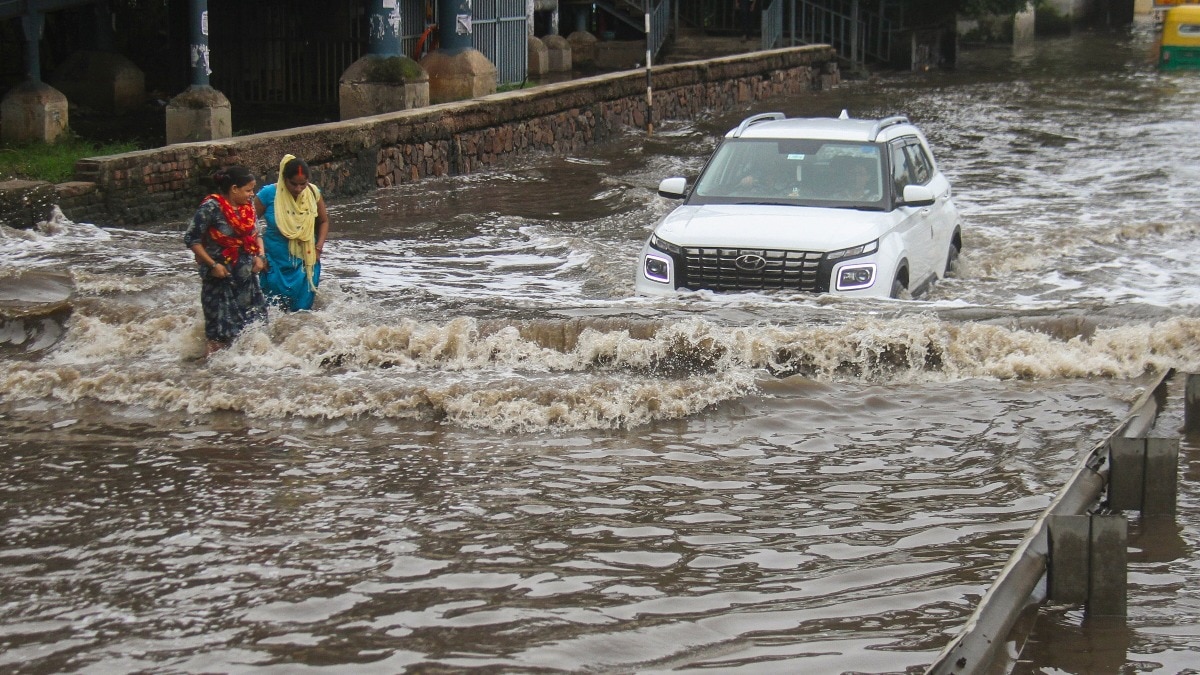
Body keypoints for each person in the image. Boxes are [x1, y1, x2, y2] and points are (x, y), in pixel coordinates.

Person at [184, 166, 268, 356]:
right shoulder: (211, 208)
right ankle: (212, 370)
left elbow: (257, 234)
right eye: (248, 190)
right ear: (234, 189)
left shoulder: (248, 208)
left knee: (254, 329)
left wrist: (260, 256)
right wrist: (213, 265)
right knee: (218, 336)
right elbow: (191, 239)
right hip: (219, 280)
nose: (252, 194)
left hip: (246, 278)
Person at [254, 154, 330, 312]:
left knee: (302, 314)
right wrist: (259, 255)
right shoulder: (268, 194)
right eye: (293, 184)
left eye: (303, 184)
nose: (298, 189)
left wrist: (318, 248)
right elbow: (249, 225)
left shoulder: (313, 193)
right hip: (274, 262)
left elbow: (323, 221)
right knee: (272, 311)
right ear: (284, 179)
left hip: (306, 262)